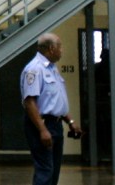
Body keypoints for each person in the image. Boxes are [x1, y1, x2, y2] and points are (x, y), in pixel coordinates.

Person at [21, 33, 83, 185]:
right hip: (41, 124)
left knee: (53, 171)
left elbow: (54, 101)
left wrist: (70, 121)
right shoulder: (34, 69)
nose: (62, 50)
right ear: (51, 48)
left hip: (55, 125)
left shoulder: (51, 68)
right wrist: (42, 130)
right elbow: (30, 102)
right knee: (45, 171)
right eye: (60, 47)